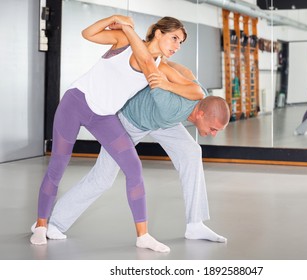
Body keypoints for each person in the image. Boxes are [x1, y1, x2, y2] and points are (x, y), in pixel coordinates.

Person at [30, 15, 204, 252]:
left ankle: (143, 236)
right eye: (174, 38)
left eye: (181, 43)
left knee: (134, 167)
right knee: (58, 165)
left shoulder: (159, 65)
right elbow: (87, 34)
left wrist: (168, 85)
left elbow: (197, 91)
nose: (177, 46)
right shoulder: (124, 40)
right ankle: (41, 225)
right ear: (159, 33)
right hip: (75, 103)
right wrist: (113, 20)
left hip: (104, 117)